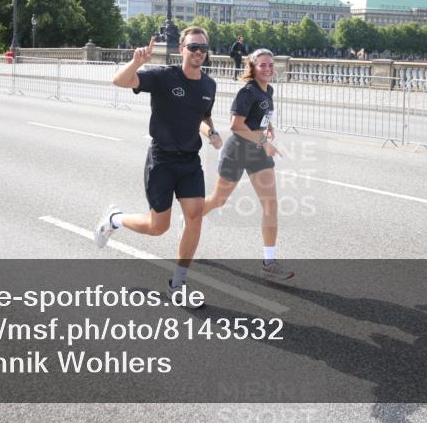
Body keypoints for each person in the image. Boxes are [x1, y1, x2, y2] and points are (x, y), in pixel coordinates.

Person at [94, 27, 222, 306]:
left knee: (195, 217)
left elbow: (202, 116)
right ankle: (114, 219)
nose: (199, 52)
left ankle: (178, 284)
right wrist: (137, 62)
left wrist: (210, 132)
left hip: (190, 161)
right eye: (193, 47)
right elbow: (120, 80)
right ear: (181, 49)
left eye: (202, 48)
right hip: (162, 160)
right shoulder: (164, 76)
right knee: (157, 227)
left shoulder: (209, 85)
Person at [202, 49, 293, 280]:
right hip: (238, 151)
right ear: (253, 67)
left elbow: (260, 116)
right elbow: (236, 125)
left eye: (270, 65)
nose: (268, 69)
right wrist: (263, 141)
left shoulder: (268, 89)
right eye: (262, 65)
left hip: (259, 153)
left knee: (271, 204)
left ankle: (268, 261)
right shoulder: (247, 92)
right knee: (218, 200)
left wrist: (267, 127)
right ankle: (192, 216)